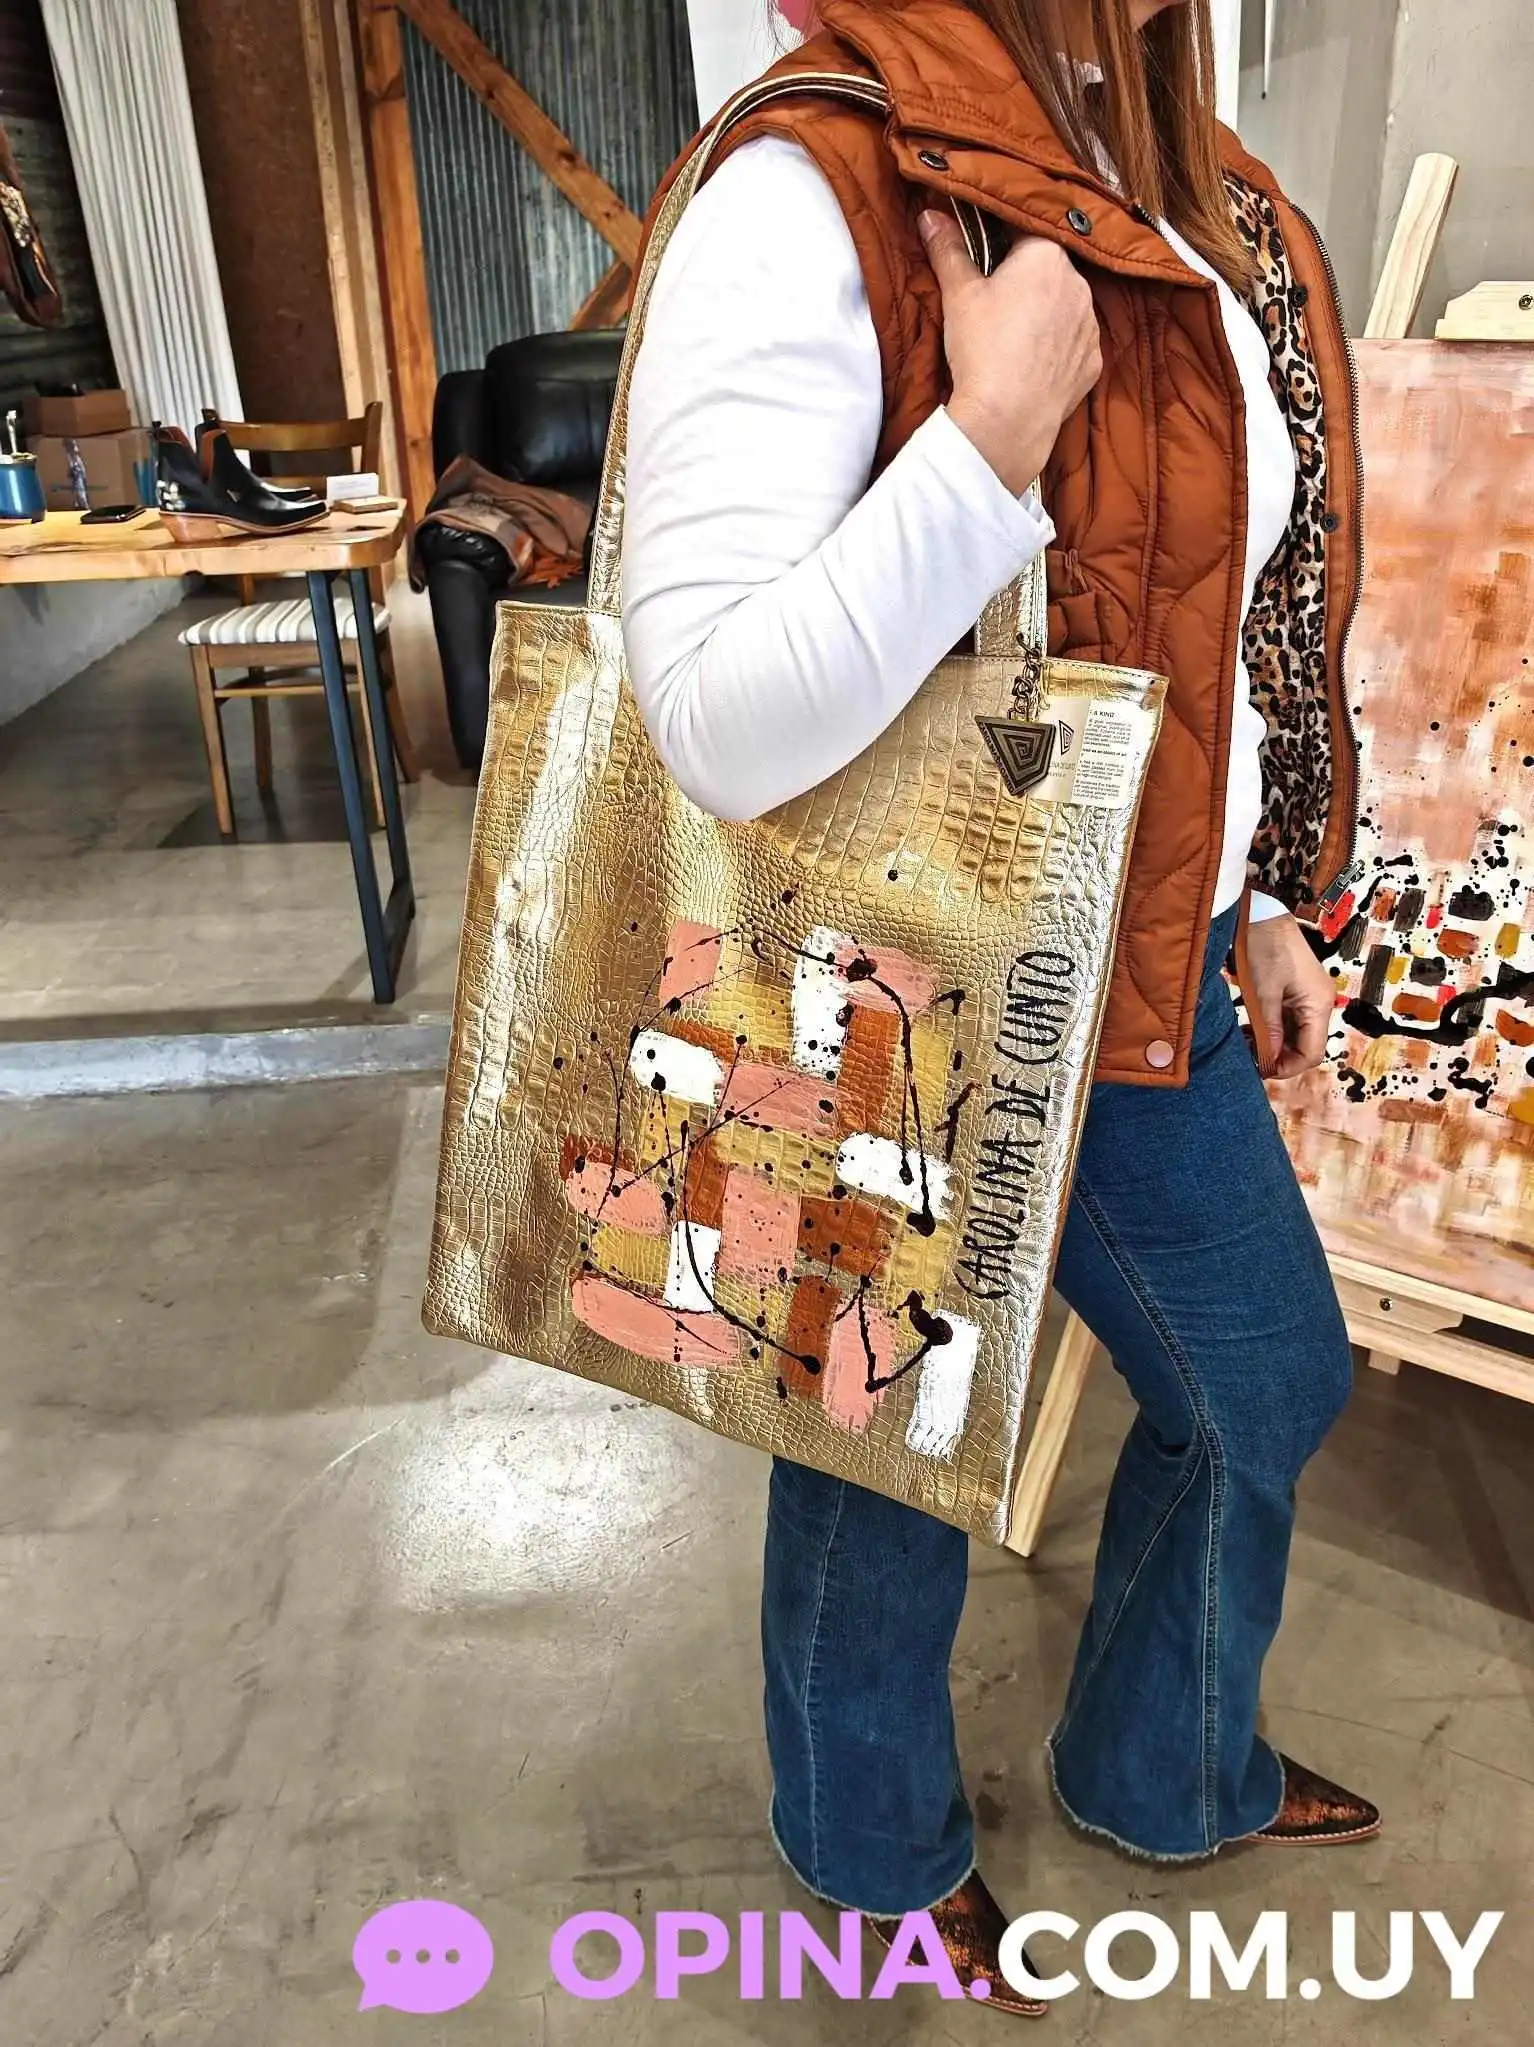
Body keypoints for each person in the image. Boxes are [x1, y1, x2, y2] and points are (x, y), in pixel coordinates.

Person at [621, 0, 1378, 2013]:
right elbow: (713, 720)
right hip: (896, 966)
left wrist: (1254, 895)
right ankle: (870, 1852)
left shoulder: (1195, 185)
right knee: (885, 1436)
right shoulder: (813, 181)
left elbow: (1222, 611)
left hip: (1147, 954)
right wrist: (982, 448)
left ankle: (1159, 1764)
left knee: (1261, 1381)